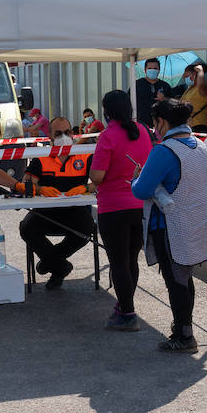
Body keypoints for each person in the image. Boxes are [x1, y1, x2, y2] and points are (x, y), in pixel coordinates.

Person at [132, 98, 207, 353]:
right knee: (184, 277)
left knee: (176, 281)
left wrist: (135, 180)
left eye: (154, 124)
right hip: (196, 221)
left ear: (161, 122)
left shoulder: (164, 150)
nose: (154, 129)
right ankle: (183, 329)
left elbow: (141, 190)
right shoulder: (200, 146)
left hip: (170, 226)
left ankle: (185, 336)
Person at [90, 89, 154, 330]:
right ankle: (125, 306)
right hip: (140, 204)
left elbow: (97, 176)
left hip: (113, 206)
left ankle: (127, 313)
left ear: (106, 111)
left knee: (118, 262)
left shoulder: (108, 136)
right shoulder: (145, 131)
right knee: (130, 260)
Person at [16, 116, 95, 290]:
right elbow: (27, 181)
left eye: (67, 133)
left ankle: (51, 264)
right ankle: (60, 267)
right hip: (46, 210)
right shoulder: (41, 156)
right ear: (50, 137)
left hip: (75, 210)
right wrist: (41, 189)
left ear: (73, 134)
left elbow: (99, 180)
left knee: (87, 229)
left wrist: (85, 188)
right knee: (26, 228)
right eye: (58, 134)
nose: (63, 137)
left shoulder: (85, 155)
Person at [133, 57, 173, 127]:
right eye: (150, 68)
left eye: (155, 68)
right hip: (140, 125)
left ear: (159, 70)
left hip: (161, 126)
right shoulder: (136, 85)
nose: (152, 70)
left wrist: (164, 99)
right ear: (145, 70)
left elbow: (173, 105)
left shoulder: (165, 86)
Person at [181, 62, 207, 133]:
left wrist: (200, 71)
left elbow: (201, 84)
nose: (184, 76)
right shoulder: (189, 89)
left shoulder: (203, 87)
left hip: (200, 127)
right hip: (188, 127)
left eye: (187, 75)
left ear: (195, 75)